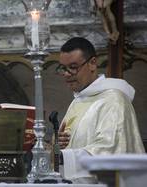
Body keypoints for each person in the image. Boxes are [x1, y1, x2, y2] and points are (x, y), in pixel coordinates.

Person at [56, 37, 145, 183]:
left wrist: (63, 157)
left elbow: (110, 151)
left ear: (92, 63)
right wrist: (58, 144)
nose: (66, 74)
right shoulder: (78, 100)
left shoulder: (114, 100)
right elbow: (74, 144)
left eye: (73, 67)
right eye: (63, 68)